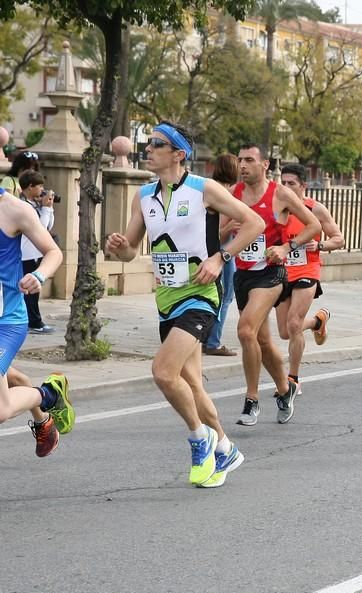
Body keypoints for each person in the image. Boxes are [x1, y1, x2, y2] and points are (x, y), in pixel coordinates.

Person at [105, 121, 264, 487]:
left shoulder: (202, 189)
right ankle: (225, 446)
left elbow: (253, 222)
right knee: (191, 383)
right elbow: (130, 252)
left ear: (179, 154)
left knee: (163, 372)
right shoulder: (143, 195)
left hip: (200, 295)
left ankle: (200, 438)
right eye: (148, 143)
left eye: (157, 144)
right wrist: (118, 246)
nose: (148, 148)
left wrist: (221, 258)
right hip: (166, 298)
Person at [224, 144, 321, 427]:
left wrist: (286, 247)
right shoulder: (234, 194)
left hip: (271, 274)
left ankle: (251, 400)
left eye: (249, 160)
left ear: (264, 164)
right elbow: (219, 230)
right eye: (240, 160)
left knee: (244, 330)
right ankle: (284, 389)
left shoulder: (280, 193)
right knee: (262, 340)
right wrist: (230, 231)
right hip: (243, 274)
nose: (242, 165)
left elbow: (313, 225)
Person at [0, 185, 72, 456]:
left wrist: (39, 275)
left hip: (6, 320)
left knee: (1, 410)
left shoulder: (14, 209)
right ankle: (43, 420)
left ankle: (49, 393)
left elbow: (54, 252)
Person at [267, 162, 343, 409]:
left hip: (308, 270)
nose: (286, 188)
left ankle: (293, 378)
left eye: (292, 184)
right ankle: (318, 321)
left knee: (293, 324)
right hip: (281, 272)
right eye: (284, 183)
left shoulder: (315, 209)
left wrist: (319, 245)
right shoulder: (276, 209)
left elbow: (338, 239)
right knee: (284, 332)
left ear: (303, 186)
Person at [202, 154, 240, 356]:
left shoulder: (208, 189)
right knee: (224, 298)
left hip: (213, 254)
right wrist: (232, 226)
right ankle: (213, 341)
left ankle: (203, 338)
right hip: (222, 254)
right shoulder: (223, 194)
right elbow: (217, 233)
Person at [17, 170, 56, 334]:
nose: (42, 189)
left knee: (33, 291)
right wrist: (45, 210)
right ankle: (34, 322)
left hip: (35, 254)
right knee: (30, 292)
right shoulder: (24, 206)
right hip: (26, 255)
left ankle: (32, 321)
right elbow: (40, 229)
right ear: (30, 187)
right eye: (39, 186)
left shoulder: (34, 205)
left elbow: (48, 227)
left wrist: (49, 208)